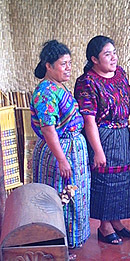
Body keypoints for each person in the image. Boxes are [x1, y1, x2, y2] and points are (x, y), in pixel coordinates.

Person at [74, 35, 130, 245]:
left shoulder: (120, 74)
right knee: (105, 180)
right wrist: (98, 150)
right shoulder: (87, 82)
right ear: (94, 59)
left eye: (114, 53)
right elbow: (89, 120)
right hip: (102, 135)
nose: (113, 58)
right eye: (106, 54)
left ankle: (116, 220)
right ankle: (104, 225)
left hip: (122, 134)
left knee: (123, 179)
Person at [30, 40, 91, 249]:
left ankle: (70, 243)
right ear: (49, 65)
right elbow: (48, 129)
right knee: (61, 197)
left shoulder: (58, 87)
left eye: (70, 63)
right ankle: (58, 244)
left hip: (72, 149)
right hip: (58, 153)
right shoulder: (46, 92)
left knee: (74, 195)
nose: (68, 68)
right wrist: (62, 159)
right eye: (63, 64)